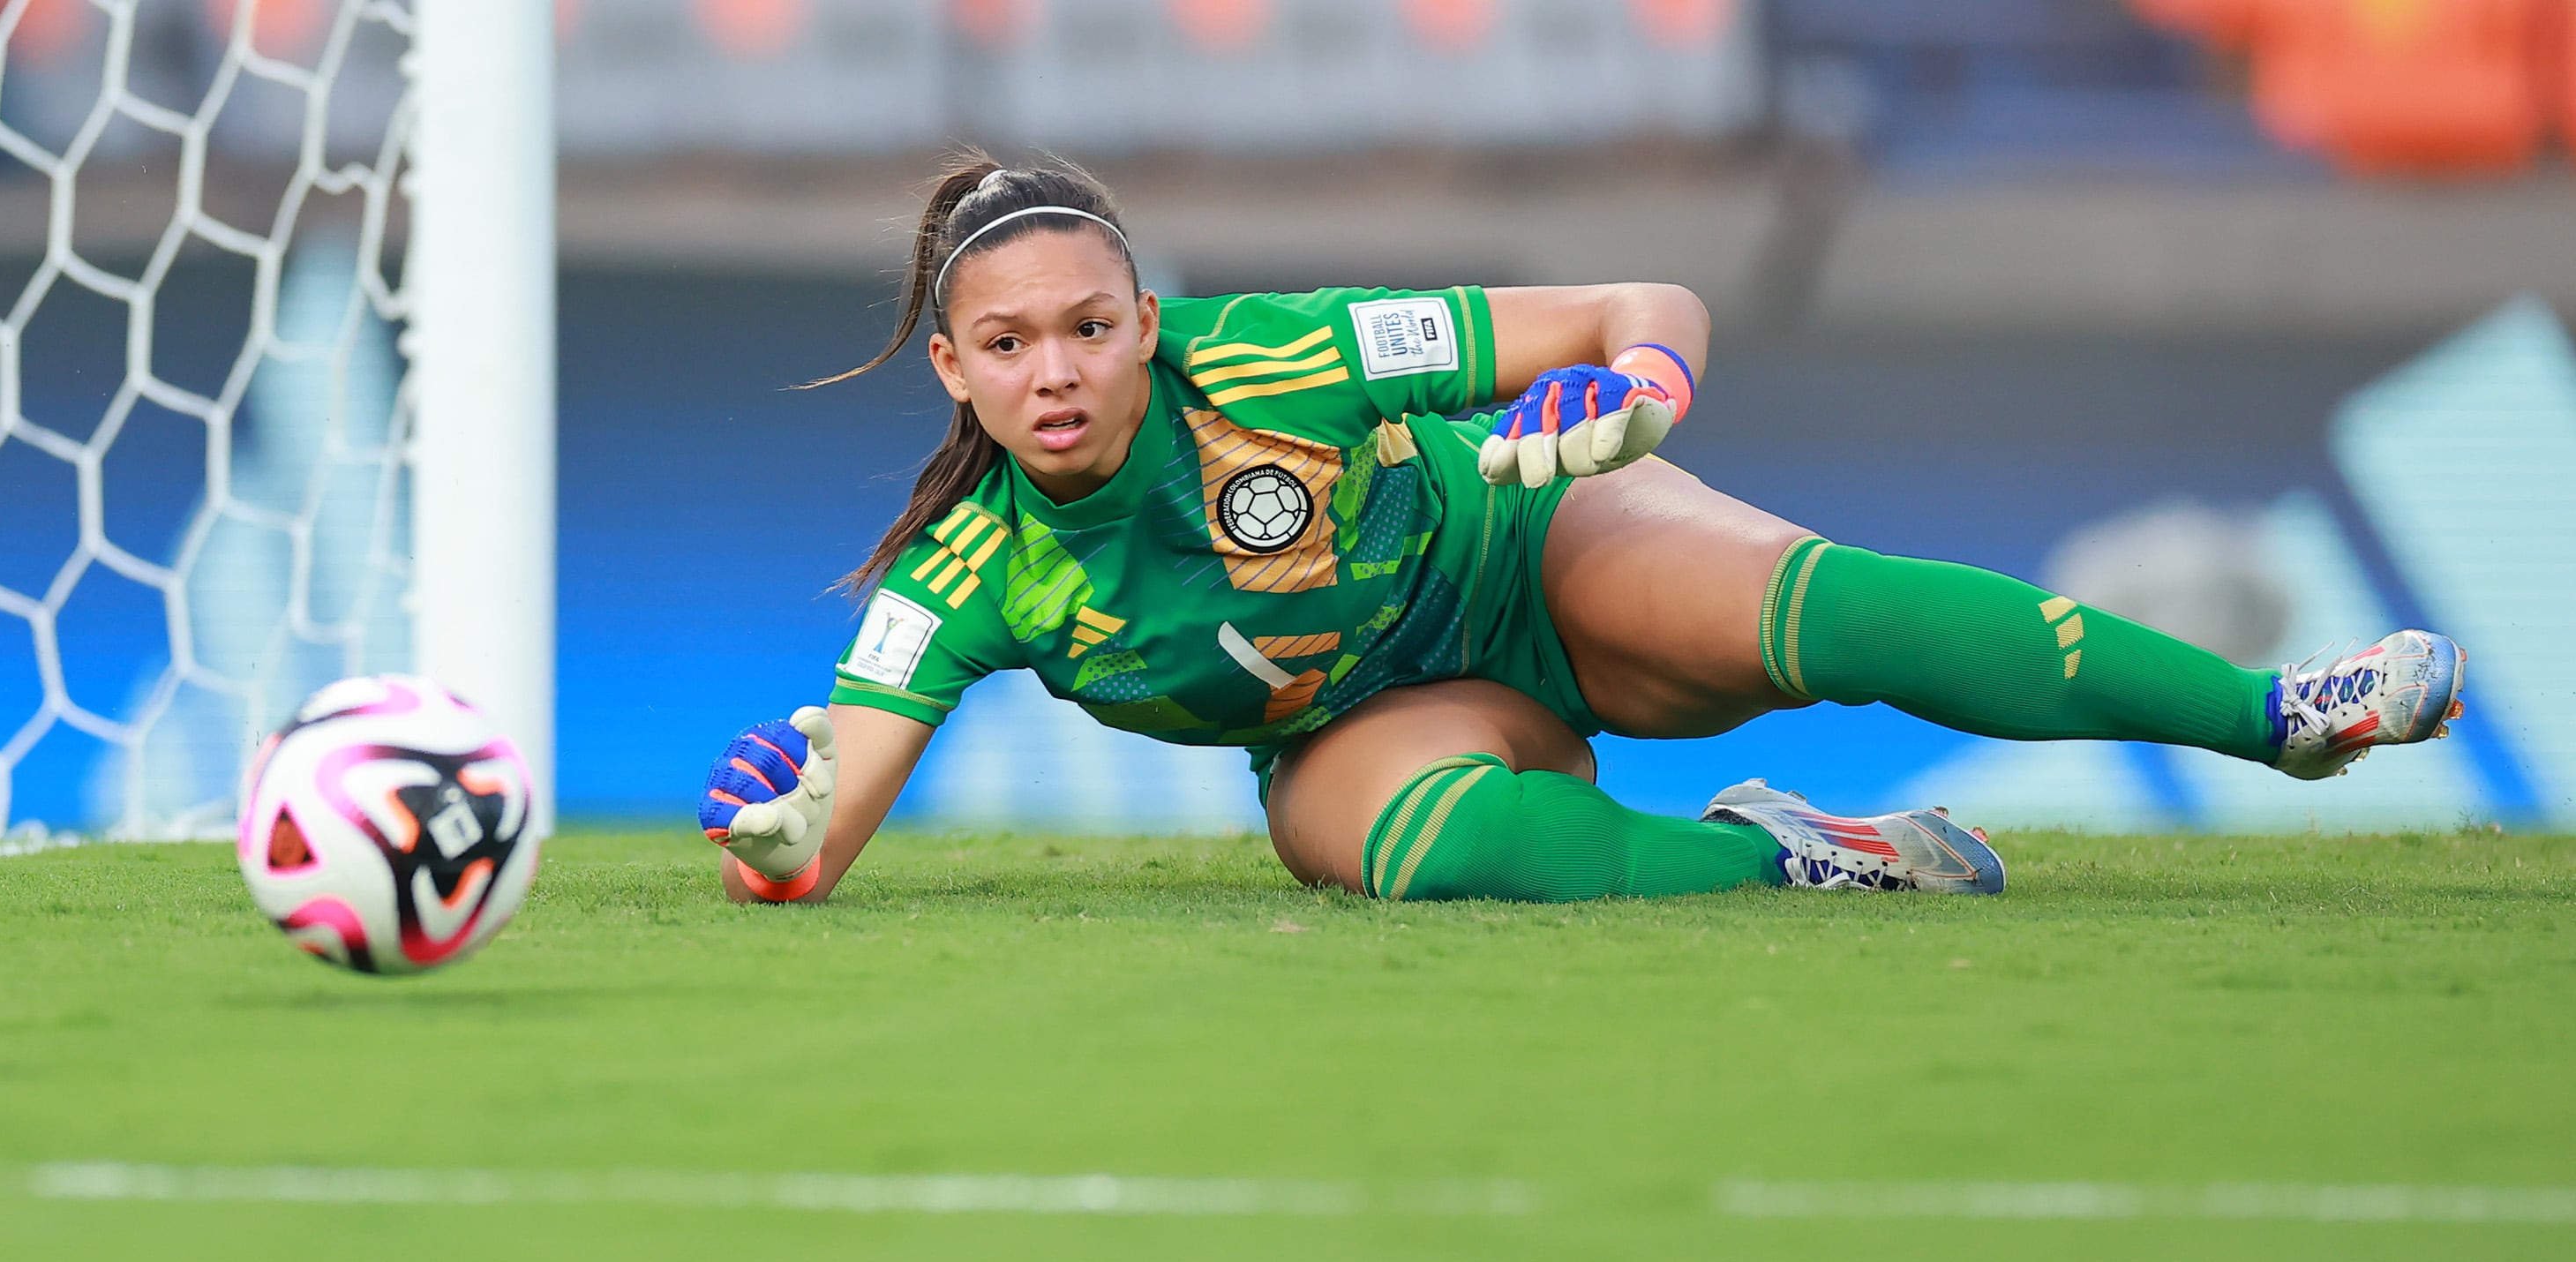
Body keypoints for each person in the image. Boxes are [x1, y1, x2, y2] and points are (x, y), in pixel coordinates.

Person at [697, 156, 2467, 906]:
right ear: (952, 366)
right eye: (1008, 346)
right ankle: (1794, 860)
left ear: (1147, 319)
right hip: (1370, 721)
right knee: (1391, 855)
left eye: (1090, 325)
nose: (1058, 371)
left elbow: (1650, 293)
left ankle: (2280, 715)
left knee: (1829, 620)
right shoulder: (964, 576)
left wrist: (1637, 397)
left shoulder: (1284, 357)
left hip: (1533, 555)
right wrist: (776, 838)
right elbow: (820, 838)